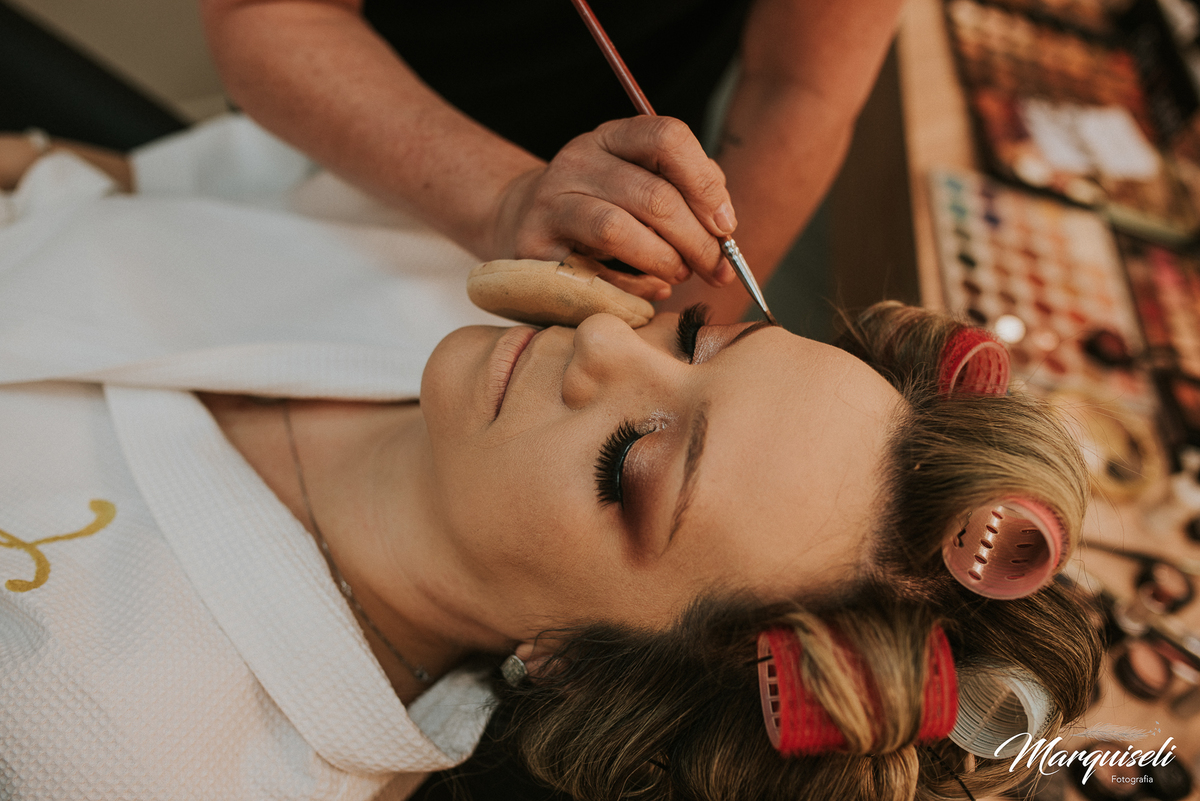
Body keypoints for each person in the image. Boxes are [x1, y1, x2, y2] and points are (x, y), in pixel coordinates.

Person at [0, 121, 1099, 801]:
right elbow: (104, 188)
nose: (604, 343)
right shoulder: (478, 268)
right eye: (693, 343)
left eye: (630, 461)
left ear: (577, 661)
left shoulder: (137, 756)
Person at [198, 0, 908, 322]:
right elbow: (272, 14)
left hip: (622, 239)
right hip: (345, 149)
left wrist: (687, 332)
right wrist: (505, 195)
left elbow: (801, 89)